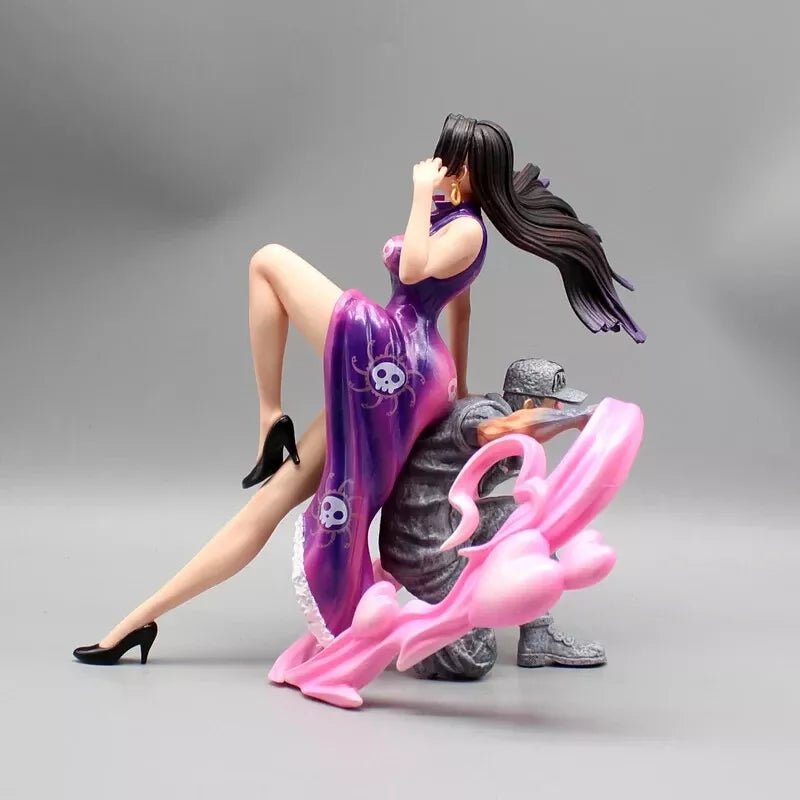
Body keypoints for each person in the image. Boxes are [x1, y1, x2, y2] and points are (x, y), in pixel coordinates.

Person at [73, 114, 644, 666]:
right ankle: (138, 622)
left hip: (394, 357)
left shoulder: (467, 228)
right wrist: (459, 387)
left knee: (268, 261)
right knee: (268, 504)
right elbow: (462, 310)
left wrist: (418, 195)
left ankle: (270, 417)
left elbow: (415, 272)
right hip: (405, 370)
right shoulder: (454, 220)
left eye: (452, 158)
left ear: (471, 170)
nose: (439, 163)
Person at [379, 358, 606, 680]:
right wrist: (575, 418)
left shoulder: (504, 420)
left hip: (453, 527)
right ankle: (399, 631)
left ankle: (538, 637)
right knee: (474, 660)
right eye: (554, 403)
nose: (559, 408)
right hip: (425, 548)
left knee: (529, 522)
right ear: (529, 406)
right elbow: (497, 430)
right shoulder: (480, 416)